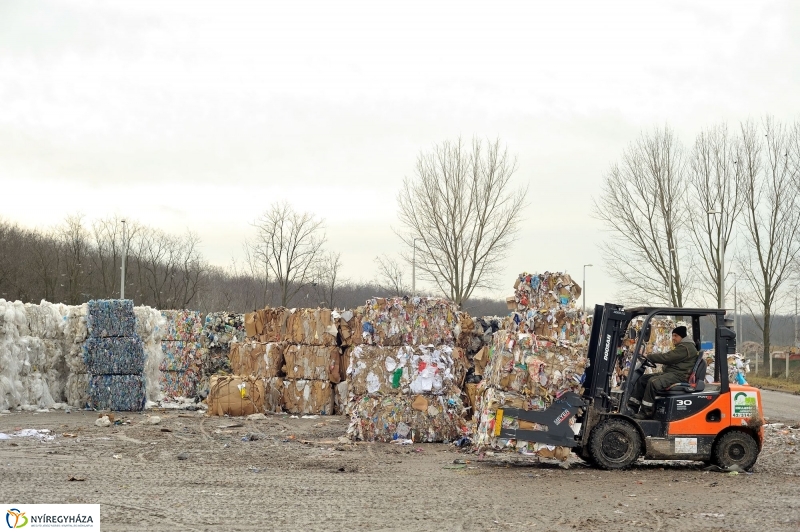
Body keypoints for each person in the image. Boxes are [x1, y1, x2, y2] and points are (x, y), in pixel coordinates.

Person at [628, 325, 699, 420]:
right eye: (673, 335)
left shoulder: (686, 348)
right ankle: (632, 408)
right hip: (672, 373)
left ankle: (646, 412)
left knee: (653, 382)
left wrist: (649, 356)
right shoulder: (682, 346)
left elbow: (667, 357)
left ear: (682, 336)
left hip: (679, 375)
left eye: (676, 336)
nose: (673, 338)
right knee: (643, 379)